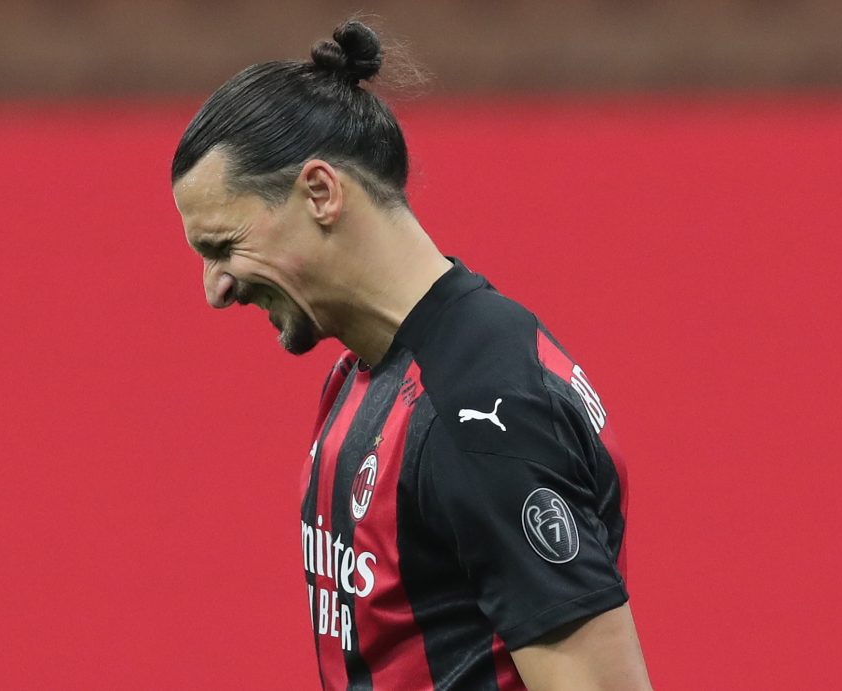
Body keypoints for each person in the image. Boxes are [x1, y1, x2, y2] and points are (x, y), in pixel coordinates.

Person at [170, 19, 651, 691]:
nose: (216, 289)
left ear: (320, 193)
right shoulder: (362, 377)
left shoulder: (482, 412)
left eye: (224, 246)